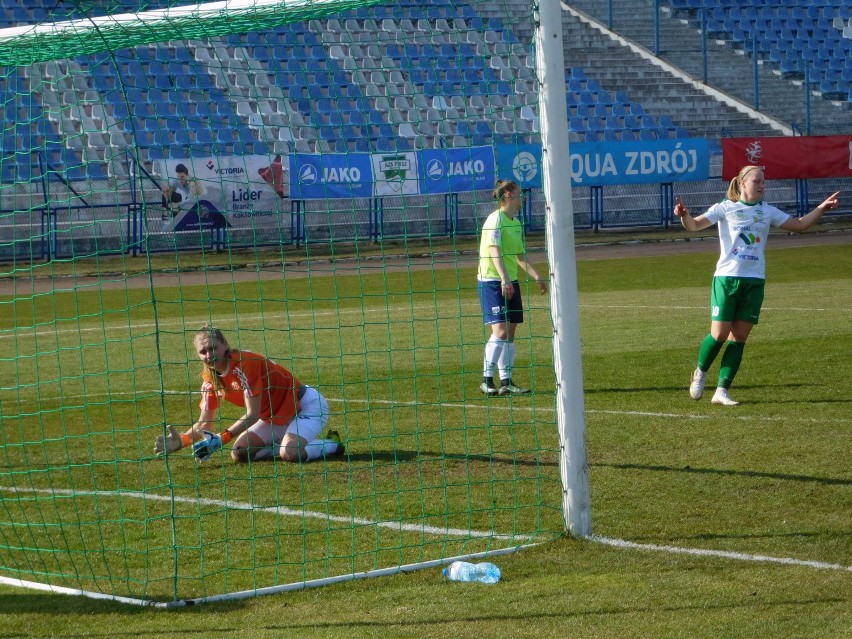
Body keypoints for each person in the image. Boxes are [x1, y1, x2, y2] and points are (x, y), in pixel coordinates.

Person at [674, 165, 840, 406]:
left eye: (763, 182)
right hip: (727, 279)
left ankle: (722, 391)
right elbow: (694, 225)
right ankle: (700, 373)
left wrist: (821, 209)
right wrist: (683, 215)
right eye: (757, 181)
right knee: (719, 334)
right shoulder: (725, 207)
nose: (762, 185)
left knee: (739, 336)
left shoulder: (768, 211)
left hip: (754, 281)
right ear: (742, 183)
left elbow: (800, 225)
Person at [154, 326, 344, 463]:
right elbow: (205, 423)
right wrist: (183, 440)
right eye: (203, 352)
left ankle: (331, 444)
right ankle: (288, 441)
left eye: (213, 348)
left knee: (290, 454)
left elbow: (252, 415)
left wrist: (222, 438)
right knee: (239, 453)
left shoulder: (245, 364)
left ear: (225, 345)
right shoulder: (209, 380)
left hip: (305, 406)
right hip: (273, 418)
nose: (209, 355)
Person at [477, 179, 548, 396]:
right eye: (519, 193)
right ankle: (486, 380)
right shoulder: (495, 220)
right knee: (499, 330)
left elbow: (519, 256)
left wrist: (537, 275)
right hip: (492, 280)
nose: (522, 198)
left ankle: (506, 381)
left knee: (511, 330)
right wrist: (504, 279)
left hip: (510, 280)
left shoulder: (515, 223)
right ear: (508, 194)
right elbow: (494, 252)